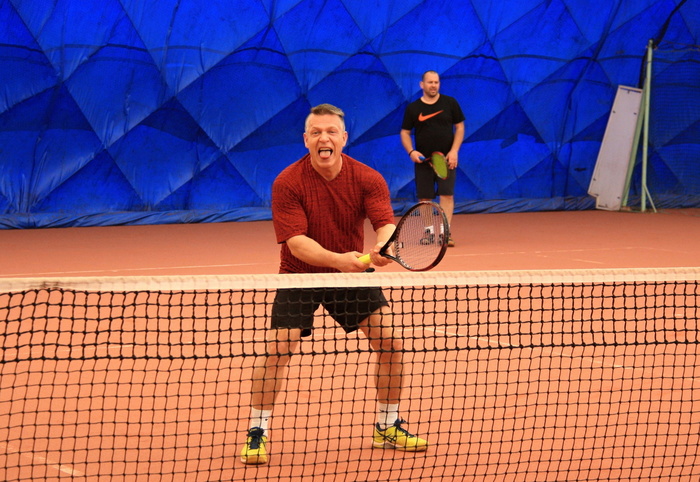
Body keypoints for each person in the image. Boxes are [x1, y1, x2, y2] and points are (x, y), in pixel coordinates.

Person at [239, 103, 429, 465]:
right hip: (300, 275)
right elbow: (296, 243)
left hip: (351, 276)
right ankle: (257, 430)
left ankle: (387, 425)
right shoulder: (287, 182)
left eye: (330, 132)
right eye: (316, 132)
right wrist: (339, 260)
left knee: (390, 343)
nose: (323, 138)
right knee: (278, 349)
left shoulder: (367, 178)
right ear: (306, 139)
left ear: (343, 138)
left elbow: (384, 224)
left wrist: (384, 246)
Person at [400, 70, 465, 247]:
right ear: (422, 85)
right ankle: (429, 233)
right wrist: (411, 152)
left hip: (446, 160)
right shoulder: (413, 108)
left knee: (447, 195)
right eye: (430, 82)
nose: (433, 85)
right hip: (423, 161)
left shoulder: (450, 103)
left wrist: (454, 151)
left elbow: (459, 127)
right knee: (424, 199)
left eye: (436, 82)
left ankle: (445, 233)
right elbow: (405, 132)